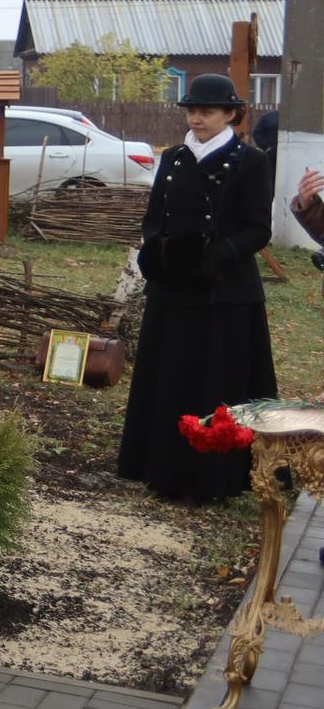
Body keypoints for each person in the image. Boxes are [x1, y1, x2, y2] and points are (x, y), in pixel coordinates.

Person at [119, 74, 275, 502]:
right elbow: (155, 218)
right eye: (191, 110)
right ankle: (161, 467)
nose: (197, 118)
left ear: (231, 114)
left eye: (206, 111)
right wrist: (158, 252)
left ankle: (215, 477)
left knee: (215, 382)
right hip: (173, 290)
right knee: (170, 377)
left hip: (223, 294)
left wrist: (216, 256)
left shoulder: (251, 162)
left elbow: (259, 229)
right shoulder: (173, 158)